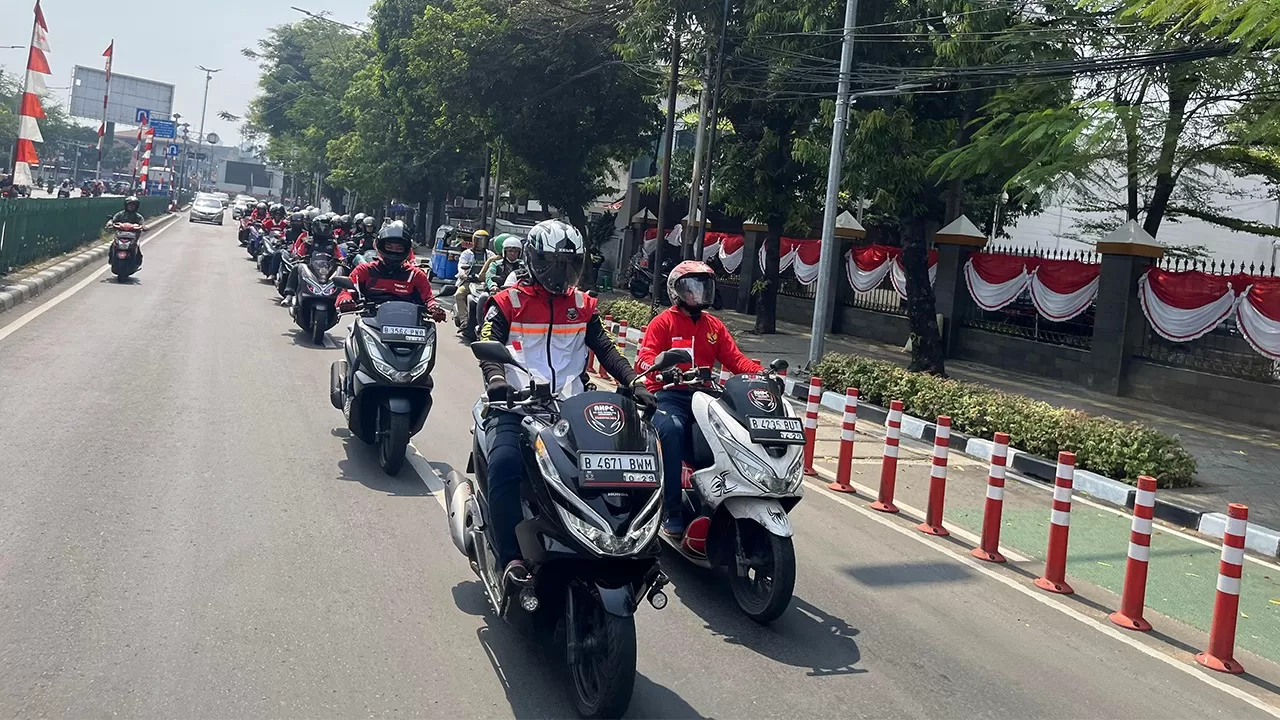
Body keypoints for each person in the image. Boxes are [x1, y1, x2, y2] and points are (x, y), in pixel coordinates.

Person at [477, 219, 656, 584]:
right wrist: (497, 380)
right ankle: (509, 557)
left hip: (570, 405)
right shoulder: (507, 301)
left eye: (569, 264)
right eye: (552, 263)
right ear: (533, 260)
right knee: (505, 465)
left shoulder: (583, 305)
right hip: (515, 404)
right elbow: (487, 342)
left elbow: (605, 347)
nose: (561, 273)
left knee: (612, 466)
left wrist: (633, 380)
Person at [634, 260, 760, 537]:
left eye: (703, 287)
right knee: (671, 430)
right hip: (668, 396)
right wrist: (662, 370)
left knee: (731, 434)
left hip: (704, 397)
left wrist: (763, 375)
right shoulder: (662, 322)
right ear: (676, 291)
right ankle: (671, 510)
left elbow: (736, 359)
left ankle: (721, 501)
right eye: (691, 288)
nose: (698, 294)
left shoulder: (714, 326)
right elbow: (643, 359)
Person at [336, 221, 446, 319]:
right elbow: (347, 291)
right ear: (380, 246)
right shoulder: (365, 270)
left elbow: (428, 299)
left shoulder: (416, 275)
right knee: (352, 339)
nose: (394, 252)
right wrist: (345, 300)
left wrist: (434, 307)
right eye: (389, 247)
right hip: (371, 324)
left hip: (408, 326)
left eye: (399, 248)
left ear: (406, 249)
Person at [107, 196, 148, 267]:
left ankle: (137, 262)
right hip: (120, 235)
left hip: (133, 237)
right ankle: (111, 259)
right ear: (126, 205)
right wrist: (110, 223)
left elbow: (142, 224)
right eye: (129, 205)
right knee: (112, 246)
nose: (131, 206)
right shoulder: (120, 214)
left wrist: (144, 226)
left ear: (136, 206)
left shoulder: (138, 217)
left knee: (137, 247)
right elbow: (113, 220)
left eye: (133, 205)